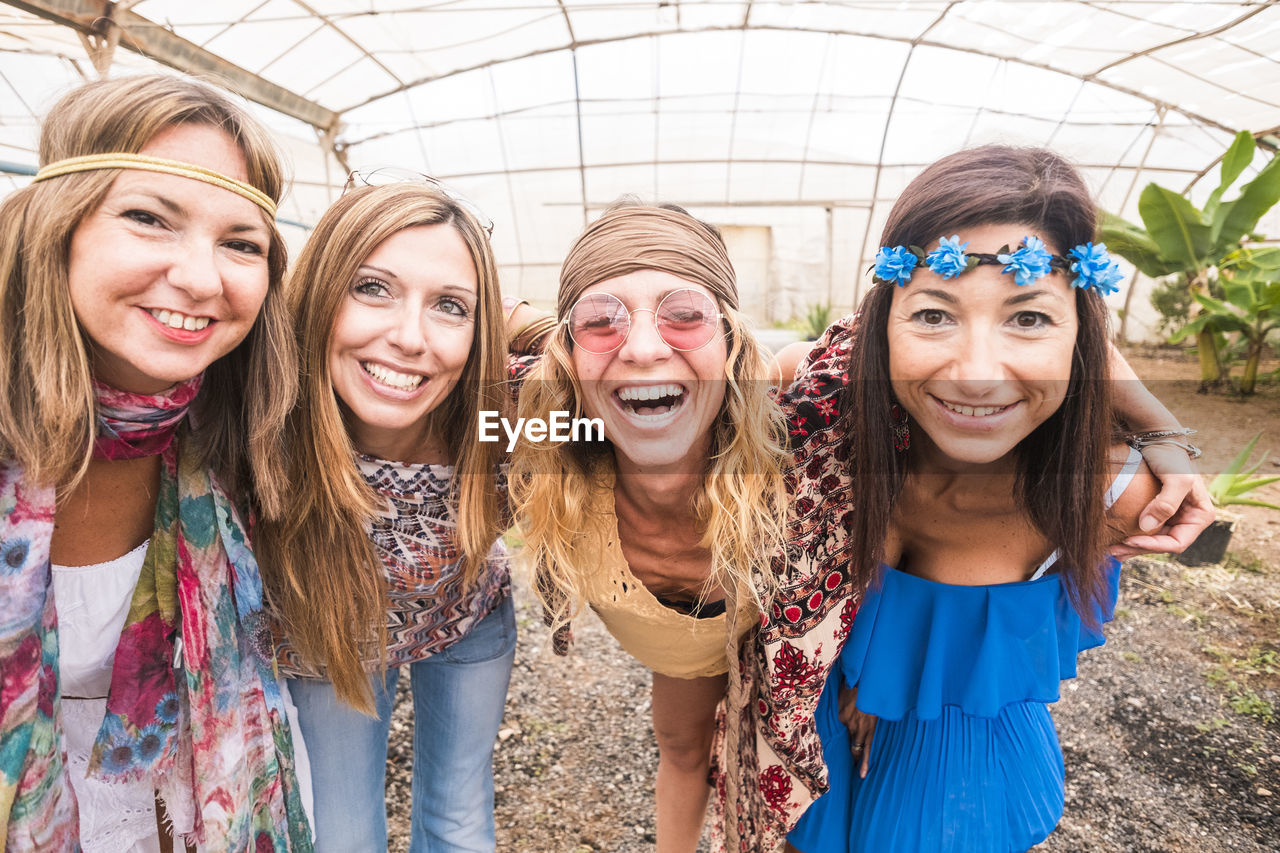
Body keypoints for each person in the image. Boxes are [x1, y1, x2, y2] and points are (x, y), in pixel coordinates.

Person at [781, 145, 1186, 851]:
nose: (975, 374)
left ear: (1078, 335)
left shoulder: (1114, 492)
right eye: (935, 315)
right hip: (812, 747)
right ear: (882, 324)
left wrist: (1165, 433)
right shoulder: (820, 401)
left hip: (964, 786)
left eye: (1027, 319)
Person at [0, 74, 311, 851]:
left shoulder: (252, 436)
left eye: (240, 243)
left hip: (200, 800)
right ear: (56, 226)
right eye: (148, 218)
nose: (202, 279)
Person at [508, 201, 790, 852]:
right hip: (687, 652)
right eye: (601, 321)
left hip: (820, 662)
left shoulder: (796, 432)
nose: (641, 349)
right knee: (683, 747)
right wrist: (546, 334)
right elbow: (456, 311)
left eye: (685, 314)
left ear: (732, 343)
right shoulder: (538, 439)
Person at [257, 179, 513, 853]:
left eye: (450, 305)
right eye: (372, 287)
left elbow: (615, 431)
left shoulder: (500, 417)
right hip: (326, 627)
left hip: (467, 615)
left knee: (459, 821)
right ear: (319, 290)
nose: (409, 338)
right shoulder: (258, 418)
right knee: (339, 833)